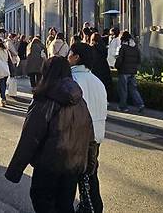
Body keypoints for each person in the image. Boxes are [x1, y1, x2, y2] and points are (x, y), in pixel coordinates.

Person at [5, 57, 93, 213]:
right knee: (65, 205)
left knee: (43, 201)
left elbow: (30, 138)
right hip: (72, 165)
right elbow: (88, 134)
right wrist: (89, 163)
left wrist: (15, 170)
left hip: (49, 164)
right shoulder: (79, 100)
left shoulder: (45, 100)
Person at [68, 43, 107, 213]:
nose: (67, 56)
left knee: (70, 181)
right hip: (96, 137)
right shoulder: (97, 81)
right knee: (90, 178)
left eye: (70, 53)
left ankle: (87, 209)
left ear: (76, 57)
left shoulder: (72, 80)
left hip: (78, 137)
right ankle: (94, 208)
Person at [115, 32, 145, 113]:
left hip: (124, 71)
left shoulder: (123, 47)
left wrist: (117, 66)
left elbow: (119, 60)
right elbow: (139, 59)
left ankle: (123, 107)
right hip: (133, 71)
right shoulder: (135, 47)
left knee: (123, 90)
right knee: (133, 89)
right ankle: (140, 104)